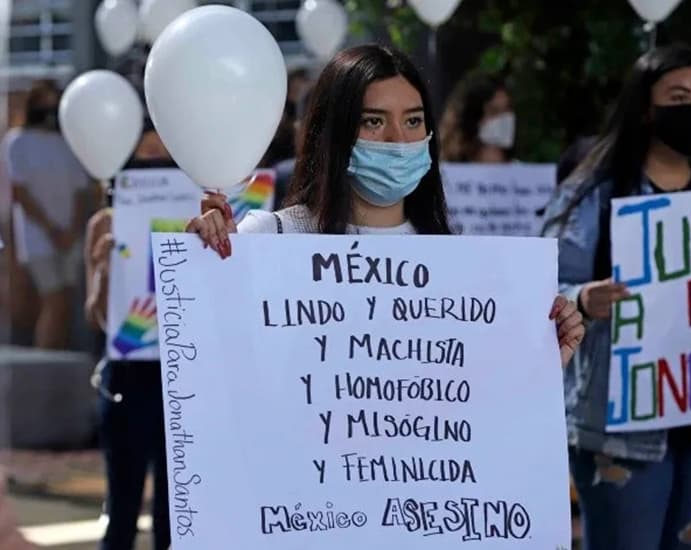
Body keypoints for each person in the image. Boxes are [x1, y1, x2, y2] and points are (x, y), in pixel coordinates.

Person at [187, 44, 584, 368]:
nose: (399, 140)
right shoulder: (272, 239)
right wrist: (204, 262)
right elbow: (211, 356)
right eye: (374, 122)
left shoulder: (461, 266)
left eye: (413, 121)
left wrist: (545, 362)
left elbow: (481, 401)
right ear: (334, 134)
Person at [541, 45, 691, 550]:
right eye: (680, 97)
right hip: (621, 427)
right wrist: (584, 297)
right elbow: (541, 289)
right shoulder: (591, 193)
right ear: (644, 109)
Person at [84, 119, 173, 550]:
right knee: (121, 505)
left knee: (174, 512)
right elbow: (95, 316)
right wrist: (103, 272)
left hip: (181, 373)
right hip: (126, 376)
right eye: (143, 159)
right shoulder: (103, 223)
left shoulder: (199, 214)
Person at [3, 80, 92, 349]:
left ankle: (59, 356)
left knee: (65, 299)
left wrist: (72, 229)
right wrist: (52, 230)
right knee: (53, 297)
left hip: (69, 233)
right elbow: (20, 192)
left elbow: (80, 191)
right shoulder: (17, 142)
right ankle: (47, 358)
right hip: (38, 234)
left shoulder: (68, 143)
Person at [439, 73, 515, 163]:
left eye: (508, 109)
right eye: (494, 111)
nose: (505, 118)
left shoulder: (524, 172)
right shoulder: (442, 172)